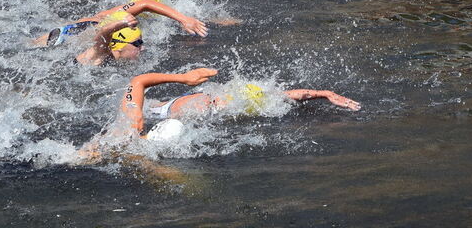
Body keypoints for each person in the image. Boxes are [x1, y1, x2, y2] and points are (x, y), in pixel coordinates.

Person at [80, 66, 360, 152]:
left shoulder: (243, 102)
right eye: (218, 100)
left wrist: (325, 93)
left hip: (162, 112)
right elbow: (137, 82)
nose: (221, 100)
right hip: (159, 111)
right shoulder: (135, 117)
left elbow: (292, 95)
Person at [35, 0, 209, 66]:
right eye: (138, 43)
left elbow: (145, 3)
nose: (144, 47)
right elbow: (145, 3)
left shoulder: (114, 20)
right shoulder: (107, 35)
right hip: (64, 37)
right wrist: (184, 19)